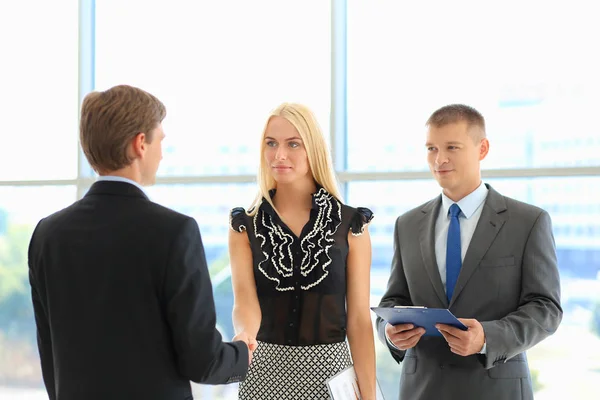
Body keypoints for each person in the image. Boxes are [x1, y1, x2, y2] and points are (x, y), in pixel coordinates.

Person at [28, 84, 250, 400]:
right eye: (160, 140)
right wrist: (242, 354)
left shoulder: (47, 235)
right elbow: (202, 360)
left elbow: (50, 354)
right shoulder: (175, 231)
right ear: (140, 144)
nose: (163, 151)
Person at [376, 104, 562, 400]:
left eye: (452, 147)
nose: (440, 159)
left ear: (482, 149)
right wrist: (389, 331)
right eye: (431, 148)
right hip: (421, 389)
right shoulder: (407, 225)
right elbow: (394, 300)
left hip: (496, 389)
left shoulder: (528, 222)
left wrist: (487, 337)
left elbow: (546, 309)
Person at [228, 103, 377, 399]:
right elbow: (245, 302)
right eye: (271, 143)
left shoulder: (351, 225)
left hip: (332, 377)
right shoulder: (244, 227)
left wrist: (369, 395)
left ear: (313, 149)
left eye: (293, 144)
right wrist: (244, 335)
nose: (279, 155)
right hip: (263, 377)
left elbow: (359, 320)